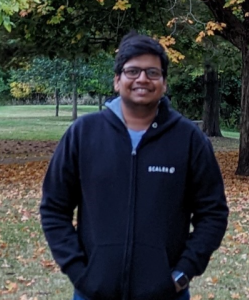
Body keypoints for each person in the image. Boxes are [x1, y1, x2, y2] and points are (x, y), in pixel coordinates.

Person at [40, 31, 229, 300]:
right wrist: (79, 271)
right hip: (92, 292)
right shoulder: (83, 134)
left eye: (153, 72)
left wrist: (182, 274)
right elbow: (53, 207)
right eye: (132, 71)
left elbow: (213, 213)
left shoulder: (189, 139)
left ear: (163, 83)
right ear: (117, 81)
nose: (142, 79)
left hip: (166, 294)